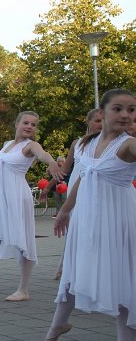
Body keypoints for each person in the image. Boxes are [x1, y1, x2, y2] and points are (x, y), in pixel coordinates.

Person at [47, 89, 136, 341]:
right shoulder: (87, 144)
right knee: (74, 269)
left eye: (131, 110)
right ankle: (58, 324)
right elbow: (82, 179)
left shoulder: (128, 144)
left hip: (119, 219)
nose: (125, 115)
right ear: (103, 112)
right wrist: (64, 211)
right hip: (86, 217)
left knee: (123, 279)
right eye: (118, 109)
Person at [0, 112, 64, 301]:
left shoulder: (30, 145)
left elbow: (42, 154)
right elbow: (1, 172)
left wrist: (51, 162)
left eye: (34, 124)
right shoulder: (6, 145)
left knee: (23, 239)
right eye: (26, 122)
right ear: (17, 123)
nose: (29, 126)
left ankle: (24, 289)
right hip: (2, 196)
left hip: (18, 196)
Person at [53, 108, 104, 280]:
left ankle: (90, 268)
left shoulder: (107, 143)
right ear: (88, 122)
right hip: (76, 189)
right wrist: (48, 186)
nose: (101, 124)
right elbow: (65, 169)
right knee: (73, 228)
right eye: (98, 120)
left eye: (104, 121)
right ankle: (65, 266)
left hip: (96, 190)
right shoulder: (78, 143)